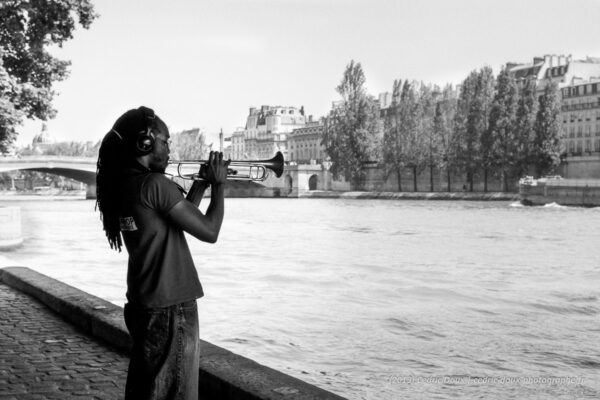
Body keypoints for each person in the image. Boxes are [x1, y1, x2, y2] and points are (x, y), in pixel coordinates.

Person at [95, 106, 228, 399]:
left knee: (150, 391)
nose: (170, 149)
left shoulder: (127, 186)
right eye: (165, 141)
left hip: (145, 305)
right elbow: (209, 230)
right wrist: (219, 186)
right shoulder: (156, 184)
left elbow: (177, 218)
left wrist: (201, 184)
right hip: (172, 308)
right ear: (146, 142)